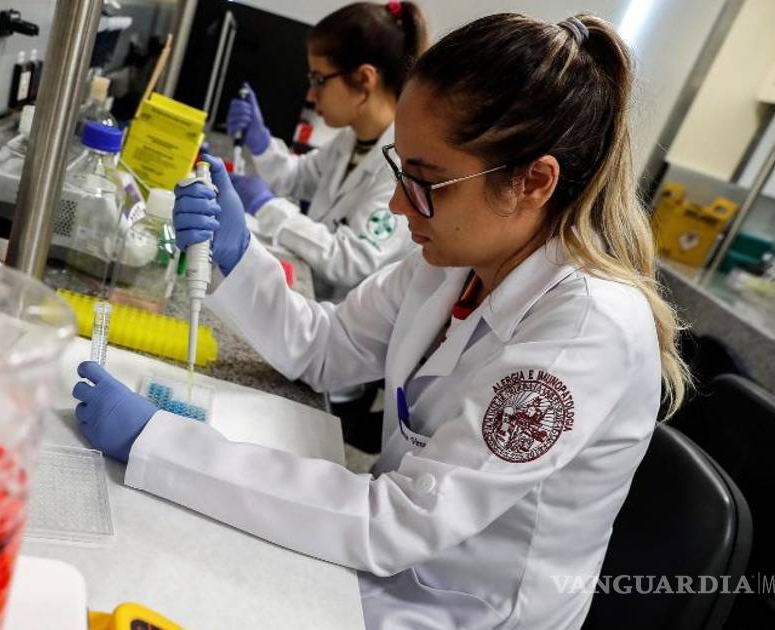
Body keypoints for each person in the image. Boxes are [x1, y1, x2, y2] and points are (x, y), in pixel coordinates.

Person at [72, 13, 689, 629]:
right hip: (377, 565)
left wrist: (159, 442)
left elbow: (398, 521)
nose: (398, 204)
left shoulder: (587, 330)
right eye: (401, 171)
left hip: (461, 611)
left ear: (533, 182)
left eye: (426, 182)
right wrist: (239, 256)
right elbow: (325, 349)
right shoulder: (458, 259)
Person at [227, 1, 429, 302]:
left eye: (319, 80)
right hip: (313, 299)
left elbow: (353, 260)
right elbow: (297, 178)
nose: (311, 94)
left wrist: (267, 207)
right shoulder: (350, 139)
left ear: (365, 79)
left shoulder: (403, 164)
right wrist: (262, 144)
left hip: (348, 320)